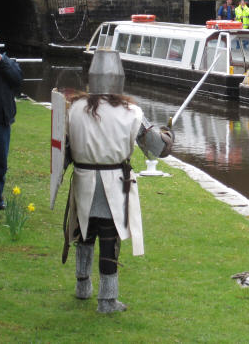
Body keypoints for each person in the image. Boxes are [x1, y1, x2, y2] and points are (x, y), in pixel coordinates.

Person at [64, 50, 173, 313]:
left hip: (83, 180)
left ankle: (83, 287)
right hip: (114, 184)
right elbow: (157, 148)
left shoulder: (74, 108)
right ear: (119, 78)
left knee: (85, 233)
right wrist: (168, 135)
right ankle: (107, 300)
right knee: (109, 239)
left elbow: (64, 149)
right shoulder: (132, 112)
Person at [0, 30, 23, 211]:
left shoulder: (7, 63)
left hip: (1, 123)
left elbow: (17, 80)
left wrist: (1, 62)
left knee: (0, 164)